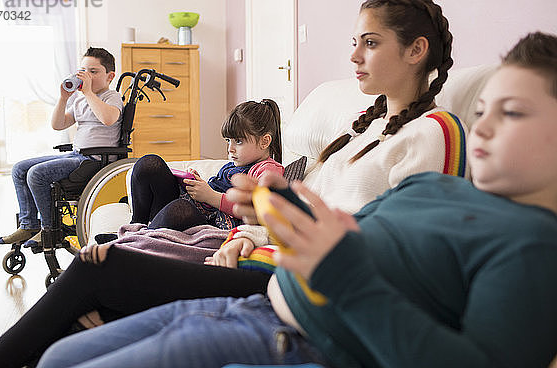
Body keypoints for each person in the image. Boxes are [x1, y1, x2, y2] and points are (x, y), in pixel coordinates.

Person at [0, 0, 463, 368]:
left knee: (102, 269)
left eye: (370, 44)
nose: (354, 56)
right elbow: (311, 216)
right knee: (92, 292)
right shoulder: (359, 132)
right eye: (355, 42)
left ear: (416, 50)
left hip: (295, 284)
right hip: (265, 260)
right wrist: (248, 232)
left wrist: (261, 228)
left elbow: (397, 247)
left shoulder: (432, 134)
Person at [32, 31, 557, 368]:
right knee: (58, 358)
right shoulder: (434, 186)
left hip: (295, 341)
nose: (482, 125)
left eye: (510, 113)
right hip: (248, 304)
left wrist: (344, 275)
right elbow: (342, 232)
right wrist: (280, 205)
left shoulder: (531, 244)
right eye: (482, 109)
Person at [0, 47, 123, 247]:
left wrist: (89, 92)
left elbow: (108, 119)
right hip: (77, 155)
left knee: (36, 174)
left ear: (110, 76)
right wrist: (64, 98)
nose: (87, 76)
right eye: (84, 70)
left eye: (94, 71)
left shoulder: (111, 97)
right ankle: (29, 224)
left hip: (95, 160)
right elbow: (58, 124)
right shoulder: (81, 99)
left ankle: (48, 229)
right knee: (19, 169)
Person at [125, 98, 284, 233]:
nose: (230, 149)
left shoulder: (268, 170)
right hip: (195, 207)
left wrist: (211, 196)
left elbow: (260, 208)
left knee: (180, 209)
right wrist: (197, 184)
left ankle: (135, 241)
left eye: (239, 141)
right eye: (228, 141)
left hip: (213, 224)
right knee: (149, 164)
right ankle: (136, 226)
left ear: (265, 141)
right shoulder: (232, 166)